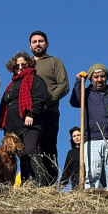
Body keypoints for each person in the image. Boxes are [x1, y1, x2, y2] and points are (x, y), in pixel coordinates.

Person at [0, 52, 48, 186]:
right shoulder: (12, 84)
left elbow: (40, 98)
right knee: (21, 155)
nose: (20, 67)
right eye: (17, 65)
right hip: (13, 126)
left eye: (23, 64)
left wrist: (31, 113)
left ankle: (41, 184)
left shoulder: (35, 79)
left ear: (29, 64)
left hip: (30, 123)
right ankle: (27, 184)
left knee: (31, 150)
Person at [69, 64, 108, 192]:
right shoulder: (86, 93)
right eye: (96, 77)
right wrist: (79, 82)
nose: (99, 79)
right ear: (91, 78)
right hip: (92, 139)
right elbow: (75, 101)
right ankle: (91, 197)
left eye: (102, 76)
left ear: (106, 78)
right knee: (92, 173)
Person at [29, 31, 68, 185]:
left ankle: (50, 183)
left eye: (41, 41)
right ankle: (33, 182)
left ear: (47, 44)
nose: (38, 44)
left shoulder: (54, 62)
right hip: (30, 114)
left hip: (49, 112)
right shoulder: (27, 64)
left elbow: (63, 85)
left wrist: (47, 102)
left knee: (48, 146)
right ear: (30, 45)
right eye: (34, 41)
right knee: (31, 148)